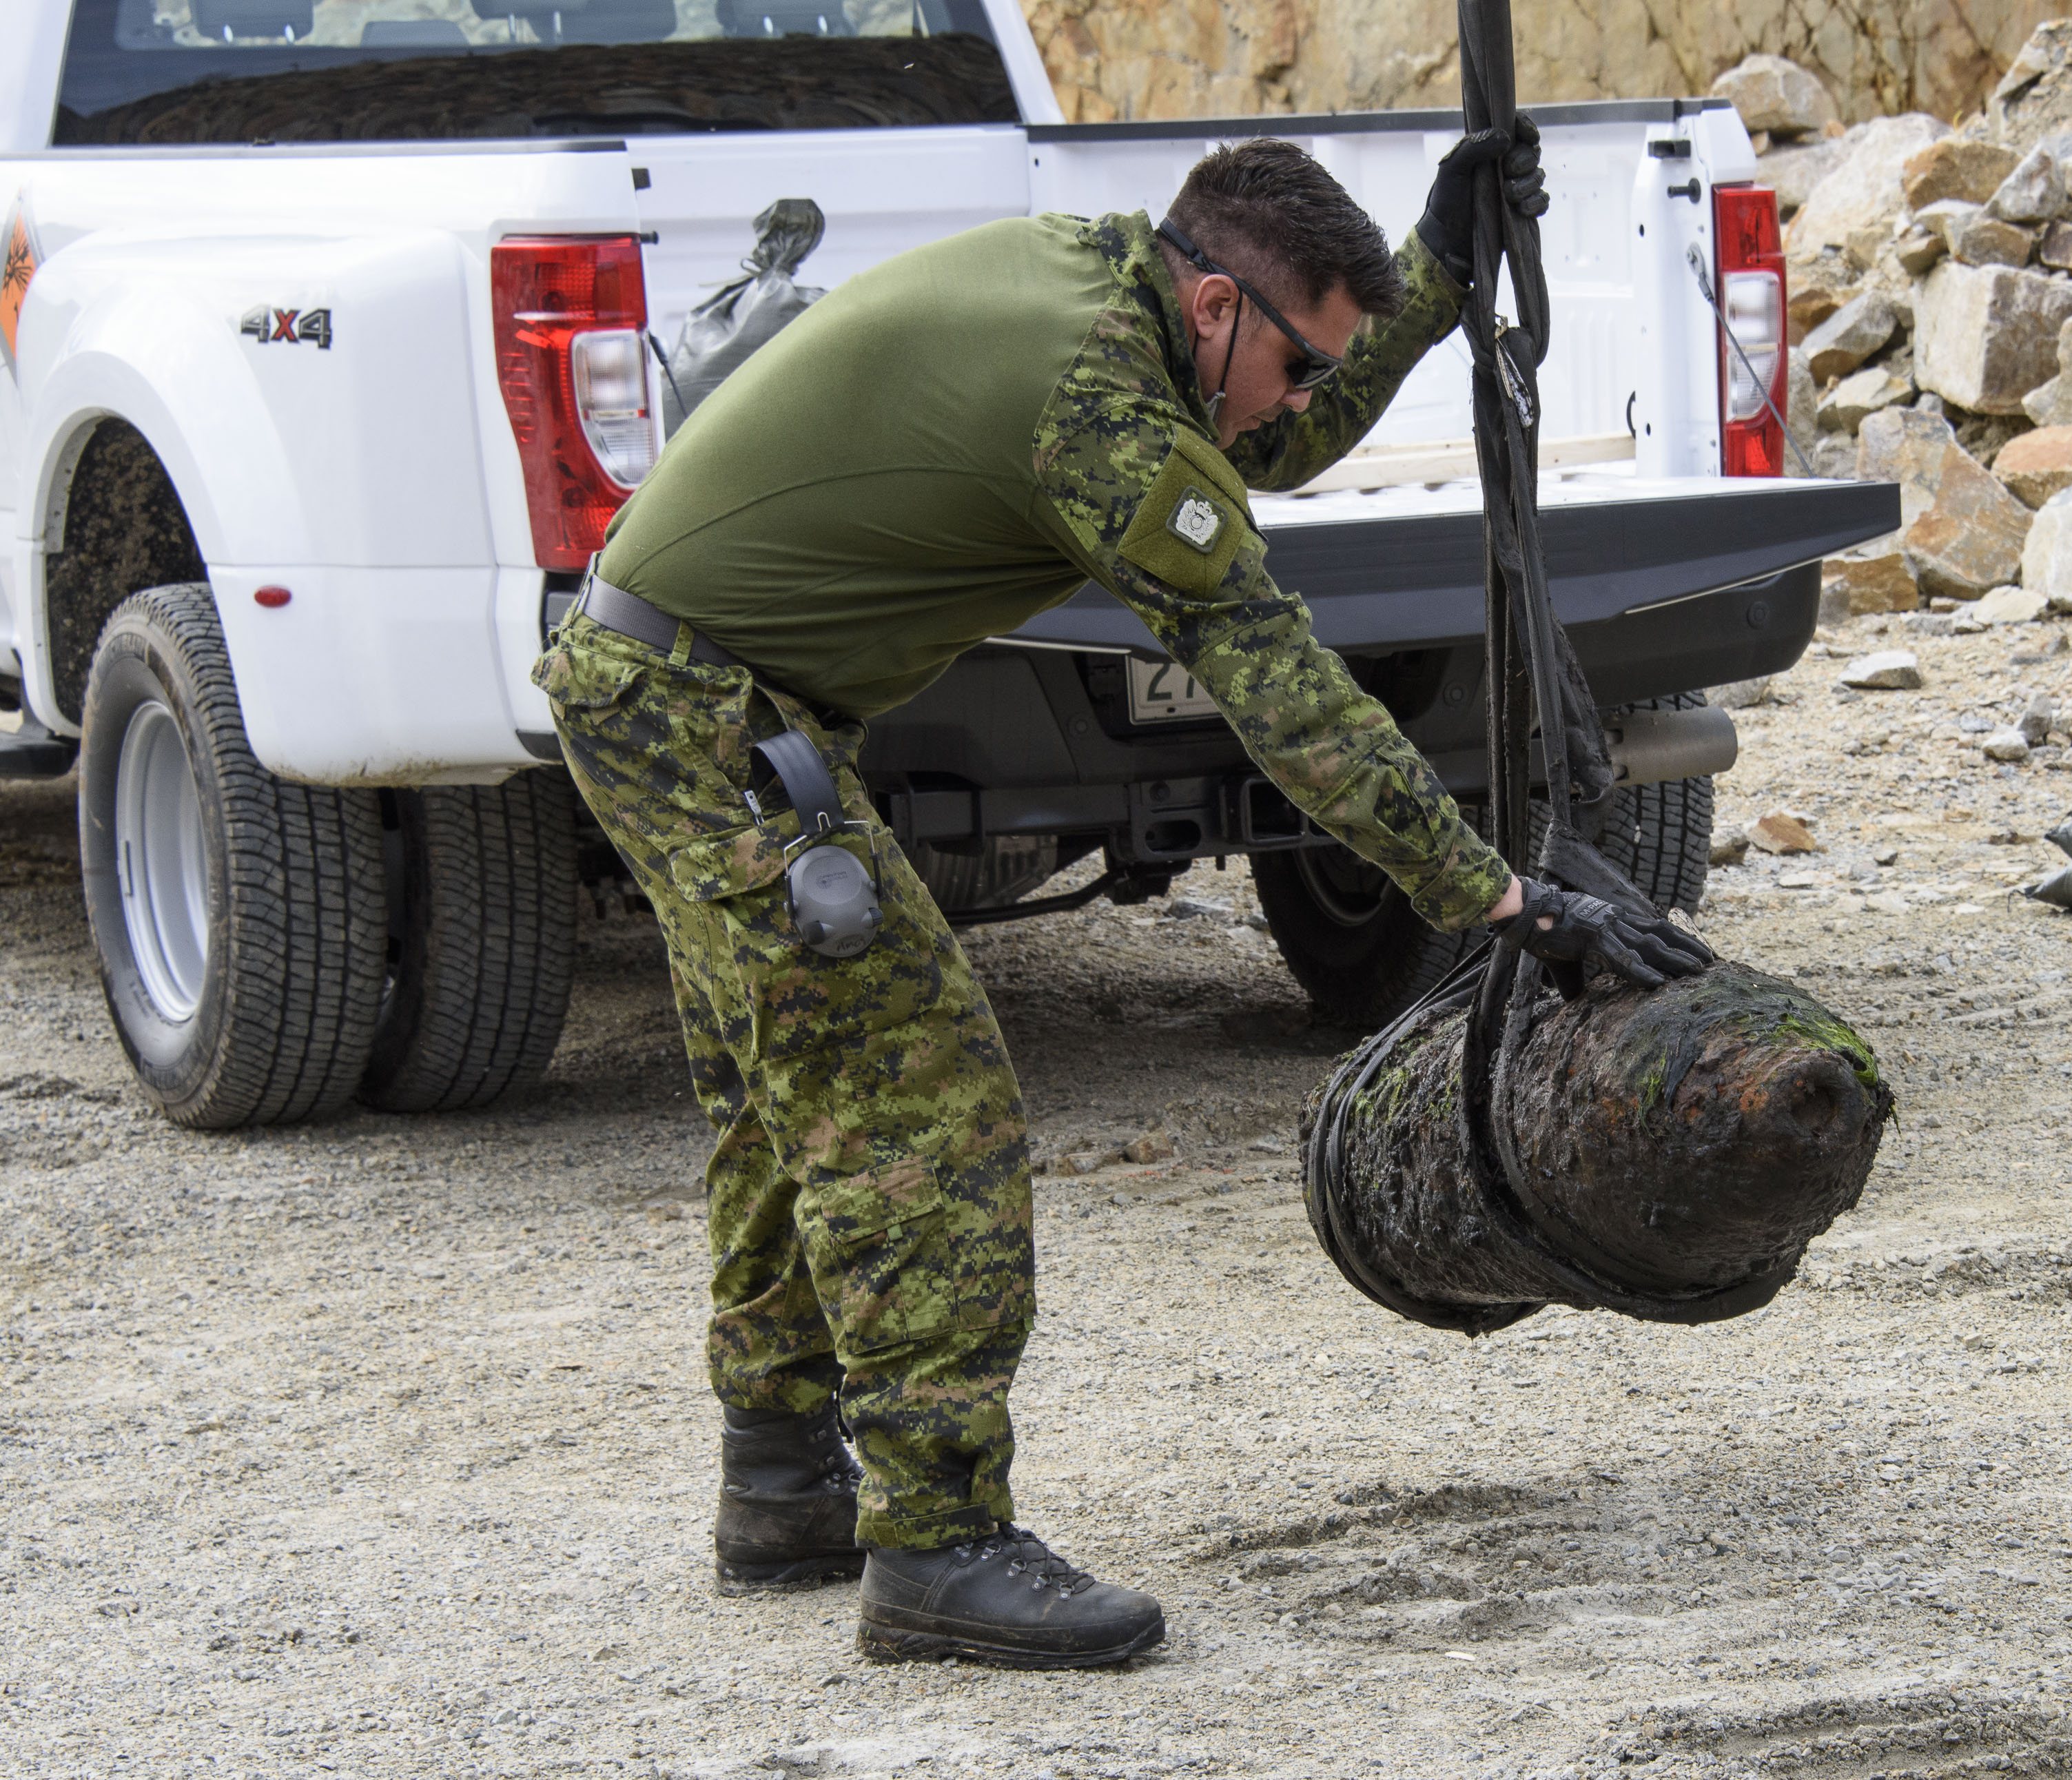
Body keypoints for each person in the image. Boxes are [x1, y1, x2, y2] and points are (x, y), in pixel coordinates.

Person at [531, 127, 1710, 1670]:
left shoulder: (1116, 288)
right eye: (1296, 362)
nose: (1294, 406)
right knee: (914, 1097)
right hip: (697, 710)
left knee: (795, 1091)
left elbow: (1266, 437)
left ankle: (782, 1483)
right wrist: (1494, 898)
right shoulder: (1092, 396)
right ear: (1217, 305)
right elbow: (1283, 686)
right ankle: (937, 1545)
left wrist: (1435, 267)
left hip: (685, 691)